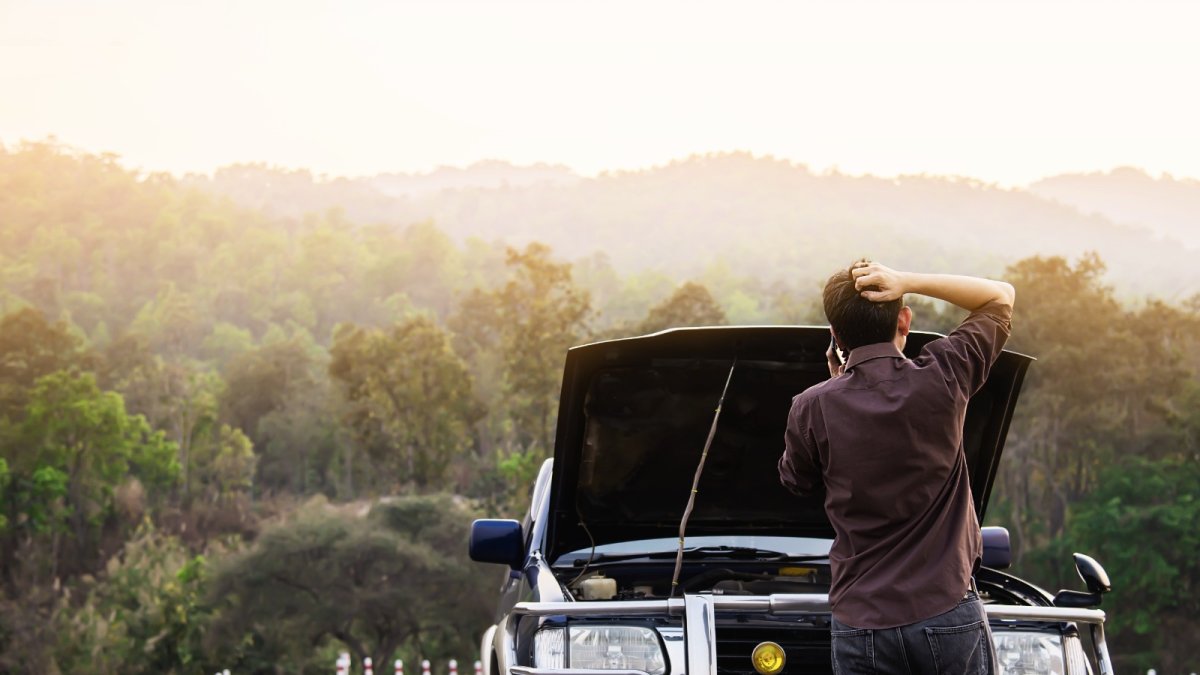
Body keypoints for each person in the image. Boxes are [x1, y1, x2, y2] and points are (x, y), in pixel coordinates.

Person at [778, 260, 1015, 675]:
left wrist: (833, 387)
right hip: (947, 611)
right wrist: (907, 281)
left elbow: (795, 480)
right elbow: (1000, 296)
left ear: (835, 336)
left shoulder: (811, 406)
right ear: (904, 319)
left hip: (861, 623)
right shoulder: (944, 374)